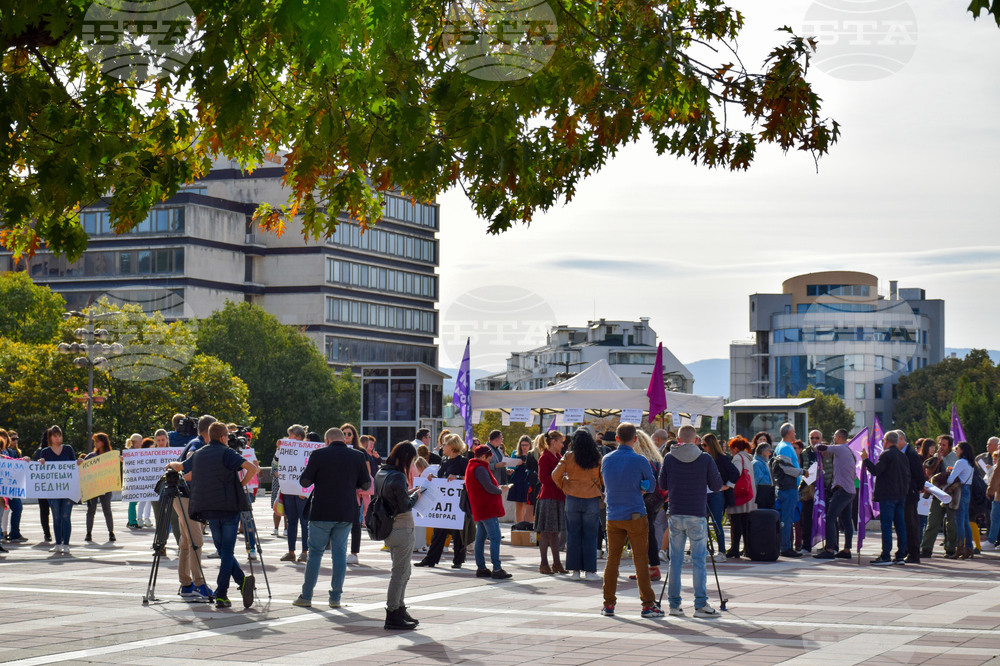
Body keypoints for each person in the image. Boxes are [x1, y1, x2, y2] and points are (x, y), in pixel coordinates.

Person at [169, 422, 260, 608]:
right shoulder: (228, 453)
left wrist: (170, 464)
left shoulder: (199, 453)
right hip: (230, 508)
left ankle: (241, 581)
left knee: (223, 550)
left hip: (210, 508)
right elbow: (252, 468)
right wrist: (240, 485)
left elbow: (181, 467)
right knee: (227, 552)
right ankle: (222, 593)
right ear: (223, 437)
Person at [293, 427, 371, 609]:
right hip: (346, 512)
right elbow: (366, 484)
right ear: (343, 439)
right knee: (339, 555)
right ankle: (335, 598)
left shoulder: (318, 454)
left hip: (321, 511)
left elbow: (304, 481)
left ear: (327, 440)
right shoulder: (358, 456)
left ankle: (306, 596)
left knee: (315, 553)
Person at [659, 424, 723, 618]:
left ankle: (674, 605)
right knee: (698, 561)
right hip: (696, 513)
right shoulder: (705, 458)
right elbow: (717, 485)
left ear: (678, 440)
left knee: (675, 561)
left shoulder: (669, 458)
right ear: (696, 440)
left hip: (676, 512)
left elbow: (662, 484)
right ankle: (700, 605)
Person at [600, 423, 663, 619]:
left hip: (613, 515)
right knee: (641, 560)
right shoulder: (640, 460)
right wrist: (641, 485)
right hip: (635, 513)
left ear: (616, 438)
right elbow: (651, 486)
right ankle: (647, 605)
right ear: (635, 439)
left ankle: (608, 603)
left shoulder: (607, 459)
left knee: (612, 559)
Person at [374, 442, 426, 630]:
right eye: (411, 460)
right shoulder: (398, 476)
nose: (411, 464)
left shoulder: (382, 472)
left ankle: (400, 608)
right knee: (399, 573)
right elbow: (404, 505)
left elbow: (392, 498)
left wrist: (408, 493)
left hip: (389, 528)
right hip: (402, 527)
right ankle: (393, 612)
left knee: (404, 571)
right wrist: (416, 496)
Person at [174, 415, 216, 601]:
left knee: (186, 541)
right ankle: (199, 584)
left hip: (182, 495)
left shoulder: (197, 442)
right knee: (196, 540)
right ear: (209, 430)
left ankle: (186, 584)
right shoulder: (198, 445)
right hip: (185, 496)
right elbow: (188, 467)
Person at [552, 428, 603, 581]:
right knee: (590, 535)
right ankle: (590, 571)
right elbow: (602, 478)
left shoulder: (568, 456)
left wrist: (564, 485)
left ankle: (575, 571)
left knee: (573, 535)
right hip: (592, 498)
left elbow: (555, 475)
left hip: (573, 498)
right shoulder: (597, 456)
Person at [416, 434, 469, 569]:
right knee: (438, 531)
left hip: (458, 503)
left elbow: (468, 478)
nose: (442, 446)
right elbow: (442, 478)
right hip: (444, 502)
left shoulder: (462, 461)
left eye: (445, 444)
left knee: (458, 532)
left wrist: (457, 477)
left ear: (452, 446)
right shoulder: (444, 460)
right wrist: (432, 477)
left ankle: (458, 560)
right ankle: (430, 559)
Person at [862, 430, 910, 565]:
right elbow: (908, 475)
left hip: (888, 495)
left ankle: (886, 555)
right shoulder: (902, 455)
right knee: (900, 525)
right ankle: (900, 555)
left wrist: (865, 460)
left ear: (887, 441)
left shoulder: (886, 454)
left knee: (887, 525)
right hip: (901, 495)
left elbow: (876, 471)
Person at [465, 444, 512, 580]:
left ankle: (481, 568)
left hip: (480, 507)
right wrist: (501, 490)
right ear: (484, 456)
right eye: (489, 456)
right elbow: (489, 487)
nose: (490, 459)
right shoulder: (480, 468)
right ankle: (497, 568)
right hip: (487, 508)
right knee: (495, 537)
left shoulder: (473, 466)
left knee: (480, 539)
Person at [812, 429, 857, 560]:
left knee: (830, 518)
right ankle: (847, 550)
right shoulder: (850, 451)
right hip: (850, 490)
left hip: (842, 490)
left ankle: (830, 549)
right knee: (847, 521)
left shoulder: (840, 448)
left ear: (838, 437)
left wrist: (816, 445)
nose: (833, 438)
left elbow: (820, 447)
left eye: (834, 436)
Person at [33, 426, 77, 555]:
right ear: (50, 438)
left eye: (59, 436)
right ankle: (58, 544)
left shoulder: (68, 449)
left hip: (68, 489)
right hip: (53, 491)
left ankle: (66, 544)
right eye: (55, 436)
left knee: (66, 517)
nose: (58, 438)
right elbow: (41, 469)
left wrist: (79, 462)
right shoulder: (45, 451)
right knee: (56, 517)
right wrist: (41, 462)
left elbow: (74, 465)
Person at [631, 430, 665, 580]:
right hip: (655, 501)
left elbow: (644, 483)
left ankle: (651, 568)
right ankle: (650, 567)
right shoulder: (655, 458)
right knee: (648, 532)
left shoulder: (642, 459)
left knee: (643, 534)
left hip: (644, 501)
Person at [281, 430, 317, 564]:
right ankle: (291, 552)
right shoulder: (285, 450)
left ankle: (304, 552)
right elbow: (277, 466)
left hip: (302, 492)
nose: (288, 438)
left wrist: (305, 490)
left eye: (291, 436)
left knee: (304, 522)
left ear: (299, 437)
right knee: (291, 522)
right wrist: (278, 451)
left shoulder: (308, 451)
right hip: (289, 491)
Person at [534, 430, 567, 574]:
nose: (562, 445)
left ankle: (557, 563)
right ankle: (543, 563)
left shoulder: (558, 456)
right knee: (546, 532)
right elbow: (543, 479)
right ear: (553, 442)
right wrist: (558, 478)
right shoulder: (545, 457)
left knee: (555, 532)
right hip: (548, 498)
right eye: (561, 442)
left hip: (558, 497)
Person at [920, 435, 958, 558]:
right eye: (940, 444)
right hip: (938, 493)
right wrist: (938, 461)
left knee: (951, 524)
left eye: (944, 445)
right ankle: (926, 549)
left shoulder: (955, 457)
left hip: (952, 494)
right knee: (932, 522)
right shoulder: (936, 457)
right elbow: (929, 473)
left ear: (950, 446)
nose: (941, 447)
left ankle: (951, 549)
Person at [701, 433, 736, 561]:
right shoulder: (702, 457)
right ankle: (704, 550)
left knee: (716, 523)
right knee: (702, 523)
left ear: (711, 445)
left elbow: (735, 473)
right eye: (702, 445)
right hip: (704, 493)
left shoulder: (722, 458)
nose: (703, 447)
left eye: (704, 445)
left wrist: (728, 486)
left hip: (716, 494)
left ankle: (721, 551)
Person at [771, 423, 804, 558]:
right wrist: (802, 472)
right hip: (788, 487)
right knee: (787, 519)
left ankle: (785, 545)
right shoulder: (785, 447)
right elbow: (786, 468)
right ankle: (785, 547)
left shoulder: (783, 446)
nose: (795, 434)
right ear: (789, 433)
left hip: (787, 487)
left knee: (787, 518)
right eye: (794, 431)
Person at [725, 436, 757, 559]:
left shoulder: (738, 458)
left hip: (739, 494)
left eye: (731, 448)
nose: (730, 450)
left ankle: (735, 548)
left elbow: (736, 473)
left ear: (736, 448)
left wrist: (728, 485)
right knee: (745, 523)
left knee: (736, 522)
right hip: (748, 494)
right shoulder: (748, 458)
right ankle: (747, 548)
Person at [898, 431, 925, 564]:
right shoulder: (902, 453)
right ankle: (905, 551)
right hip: (903, 493)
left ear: (901, 439)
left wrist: (916, 489)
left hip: (910, 493)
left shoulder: (911, 454)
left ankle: (914, 554)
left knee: (911, 524)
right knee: (904, 524)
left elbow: (919, 475)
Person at [84, 432, 116, 543]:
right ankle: (88, 533)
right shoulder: (91, 456)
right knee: (91, 509)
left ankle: (111, 532)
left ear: (103, 442)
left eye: (98, 441)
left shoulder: (110, 456)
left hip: (106, 487)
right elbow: (83, 466)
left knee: (107, 509)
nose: (96, 444)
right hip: (92, 487)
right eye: (95, 442)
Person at [341, 422, 365, 565]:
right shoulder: (336, 450)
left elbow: (366, 474)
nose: (346, 436)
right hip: (338, 492)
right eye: (343, 433)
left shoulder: (360, 452)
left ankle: (354, 553)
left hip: (355, 492)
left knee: (355, 523)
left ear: (354, 436)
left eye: (349, 434)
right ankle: (340, 550)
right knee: (339, 523)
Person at [949, 441, 977, 559]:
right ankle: (969, 547)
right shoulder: (970, 463)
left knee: (959, 521)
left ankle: (960, 547)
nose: (955, 450)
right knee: (965, 521)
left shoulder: (960, 462)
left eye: (957, 448)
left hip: (959, 491)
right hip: (967, 490)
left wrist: (950, 472)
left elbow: (950, 480)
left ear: (962, 450)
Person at [506, 435, 537, 525]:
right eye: (522, 445)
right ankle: (518, 525)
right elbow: (510, 465)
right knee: (519, 505)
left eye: (526, 445)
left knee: (529, 504)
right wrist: (515, 465)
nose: (524, 447)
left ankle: (528, 525)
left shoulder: (533, 454)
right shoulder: (515, 453)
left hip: (528, 481)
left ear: (530, 445)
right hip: (518, 480)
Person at [0, 430, 25, 543]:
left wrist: (24, 460)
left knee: (18, 508)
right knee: (2, 511)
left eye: (5, 437)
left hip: (12, 487)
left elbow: (17, 464)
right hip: (2, 488)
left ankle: (15, 533)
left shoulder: (12, 452)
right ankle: (2, 534)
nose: (3, 439)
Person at [752, 435, 774, 510]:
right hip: (762, 492)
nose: (770, 453)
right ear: (763, 452)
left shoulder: (765, 462)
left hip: (768, 491)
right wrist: (769, 479)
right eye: (768, 451)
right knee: (763, 512)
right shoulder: (756, 463)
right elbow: (756, 479)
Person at [984, 449, 1000, 550]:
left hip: (999, 496)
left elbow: (996, 476)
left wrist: (990, 490)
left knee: (995, 518)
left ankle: (991, 541)